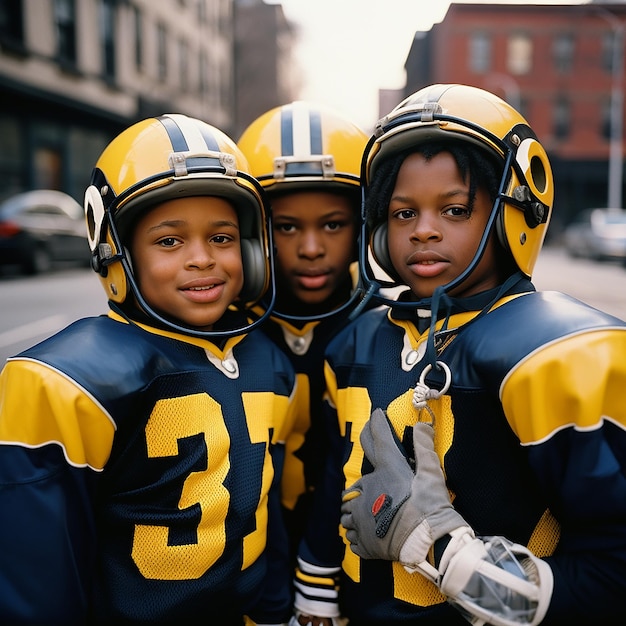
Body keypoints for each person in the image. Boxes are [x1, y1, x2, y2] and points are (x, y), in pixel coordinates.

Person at [297, 84, 626, 625]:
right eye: (403, 214)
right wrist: (316, 592)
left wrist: (446, 554)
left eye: (454, 209)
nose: (423, 229)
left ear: (513, 212)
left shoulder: (556, 353)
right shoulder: (356, 340)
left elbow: (611, 575)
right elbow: (338, 483)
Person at [0, 114, 297, 625]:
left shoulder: (266, 357)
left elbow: (263, 517)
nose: (202, 259)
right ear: (115, 251)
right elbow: (38, 585)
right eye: (169, 241)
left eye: (223, 238)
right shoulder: (63, 381)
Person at [237, 103, 368, 573]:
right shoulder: (223, 326)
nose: (311, 249)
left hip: (344, 557)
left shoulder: (386, 326)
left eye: (333, 224)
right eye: (286, 226)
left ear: (362, 228)